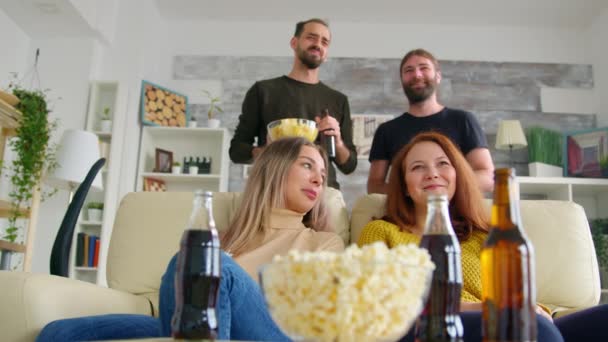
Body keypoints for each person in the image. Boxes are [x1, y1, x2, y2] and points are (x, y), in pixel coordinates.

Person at [37, 137, 344, 342]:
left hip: (279, 333)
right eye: (307, 165)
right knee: (58, 331)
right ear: (274, 169)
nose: (319, 178)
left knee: (203, 260)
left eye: (321, 172)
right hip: (202, 324)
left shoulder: (324, 242)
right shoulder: (231, 237)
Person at [358, 131, 608, 341]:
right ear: (404, 186)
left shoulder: (482, 235)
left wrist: (534, 309)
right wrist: (493, 309)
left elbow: (513, 293)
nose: (432, 173)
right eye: (417, 167)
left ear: (457, 175)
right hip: (436, 328)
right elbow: (382, 303)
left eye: (442, 164)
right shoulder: (381, 232)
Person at [229, 18, 357, 189]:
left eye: (324, 42)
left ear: (326, 53)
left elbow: (349, 166)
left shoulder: (338, 100)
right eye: (311, 37)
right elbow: (236, 150)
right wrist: (266, 152)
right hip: (273, 189)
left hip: (323, 194)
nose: (318, 44)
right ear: (294, 42)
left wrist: (338, 141)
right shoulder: (263, 91)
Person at [367, 48, 494, 194]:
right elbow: (374, 186)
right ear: (402, 81)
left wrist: (440, 188)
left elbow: (487, 177)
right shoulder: (386, 130)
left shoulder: (464, 120)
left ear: (438, 76)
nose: (417, 74)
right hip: (407, 215)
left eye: (424, 68)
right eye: (409, 70)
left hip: (456, 214)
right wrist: (414, 193)